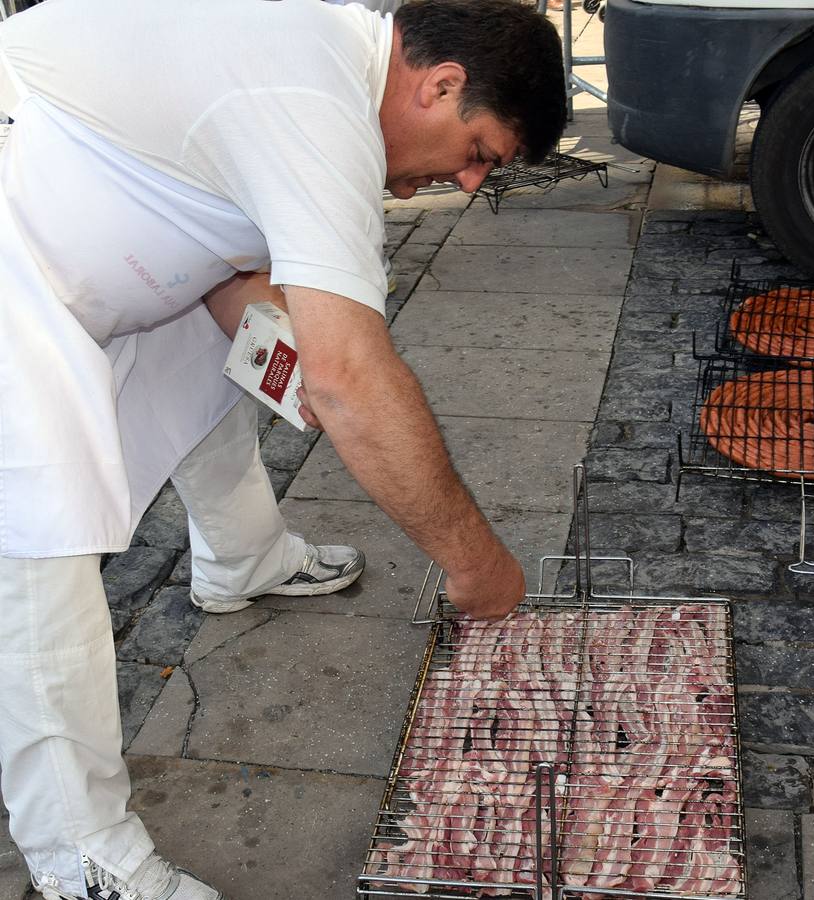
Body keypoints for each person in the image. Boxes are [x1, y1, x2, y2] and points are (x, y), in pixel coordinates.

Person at [0, 0, 566, 897]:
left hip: (87, 221)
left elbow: (247, 285)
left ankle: (242, 557)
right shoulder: (316, 100)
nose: (464, 184)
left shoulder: (325, 62)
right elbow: (351, 378)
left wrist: (293, 361)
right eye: (479, 153)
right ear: (441, 84)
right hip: (15, 238)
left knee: (218, 346)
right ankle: (80, 857)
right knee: (39, 528)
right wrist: (474, 564)